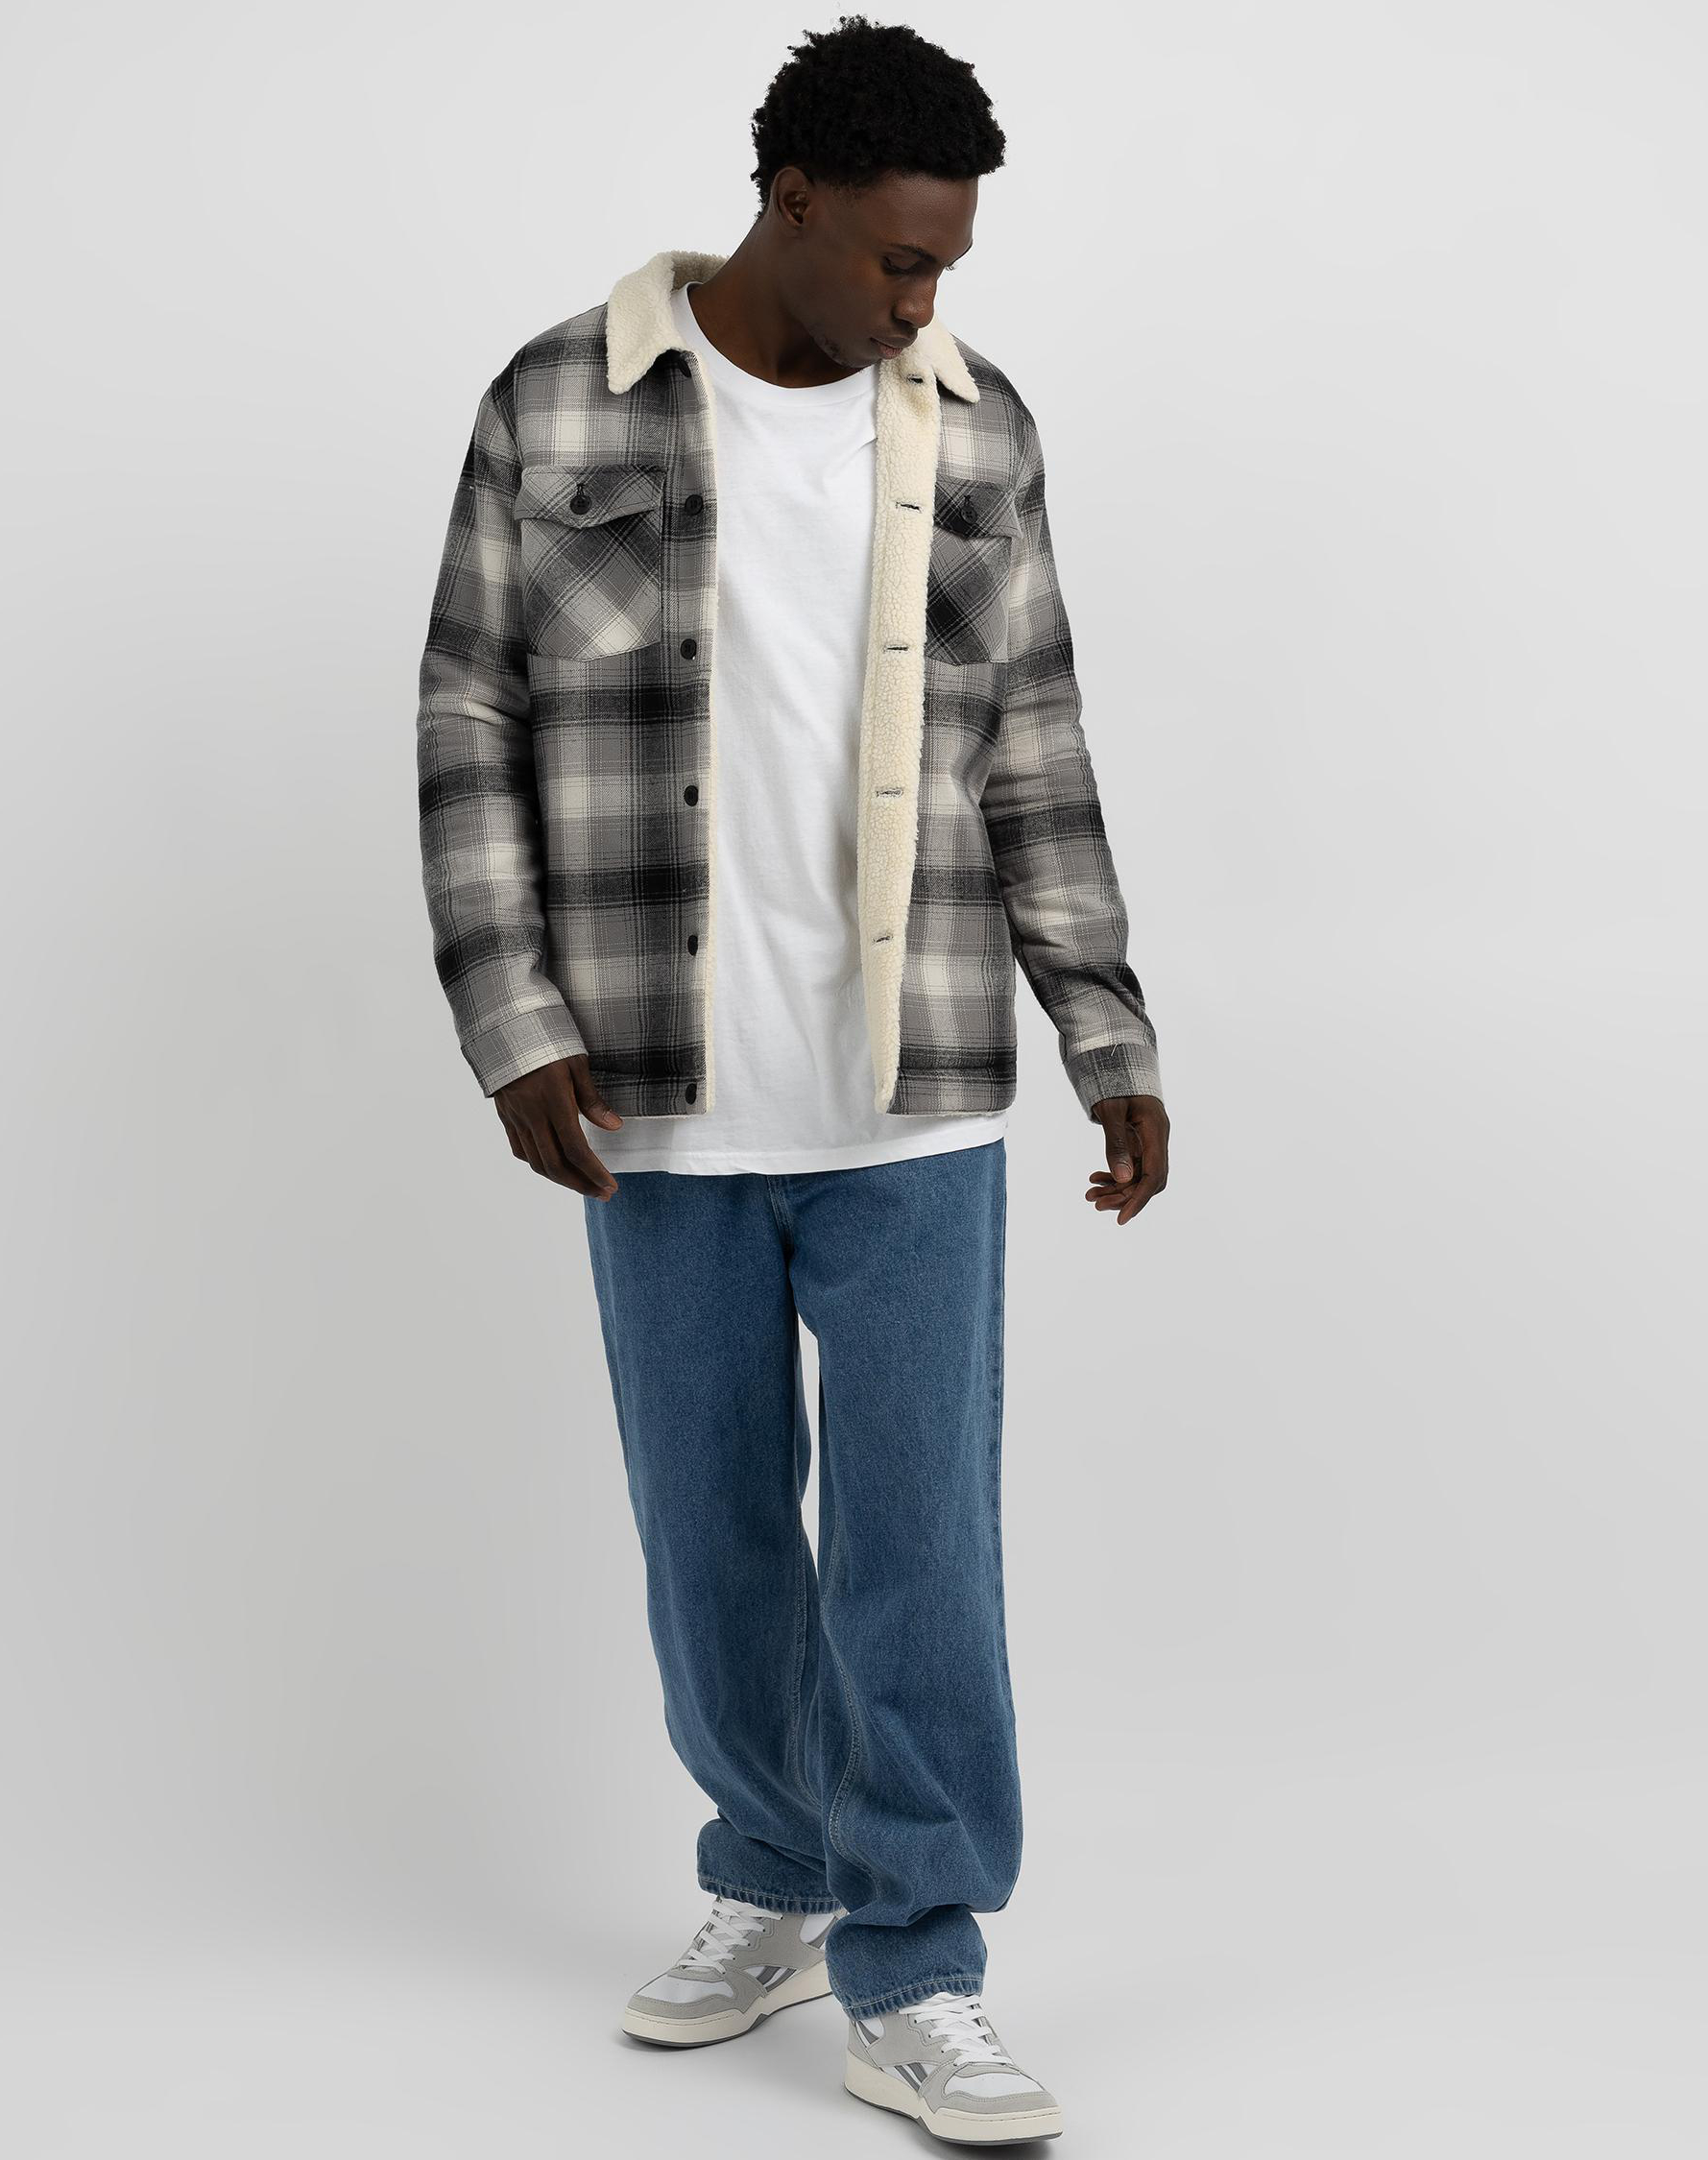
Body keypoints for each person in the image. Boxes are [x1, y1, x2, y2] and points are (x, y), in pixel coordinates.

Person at [415, 16, 1169, 2144]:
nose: (926, 302)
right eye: (901, 259)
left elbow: (1038, 743)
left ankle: (914, 1965)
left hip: (913, 1097)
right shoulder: (558, 399)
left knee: (919, 1552)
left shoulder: (981, 430)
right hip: (654, 1096)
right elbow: (466, 715)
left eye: (953, 266)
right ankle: (772, 1869)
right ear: (794, 201)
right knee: (713, 1538)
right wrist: (513, 1020)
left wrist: (1105, 1032)